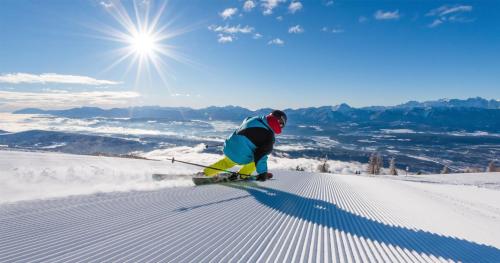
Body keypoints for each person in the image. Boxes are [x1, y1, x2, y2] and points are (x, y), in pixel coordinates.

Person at [203, 110, 287, 181]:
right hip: (240, 156)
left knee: (226, 162)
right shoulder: (269, 137)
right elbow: (260, 156)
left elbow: (246, 120)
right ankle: (242, 175)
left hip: (229, 146)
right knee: (255, 162)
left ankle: (205, 172)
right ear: (280, 122)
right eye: (282, 124)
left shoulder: (256, 118)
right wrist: (263, 173)